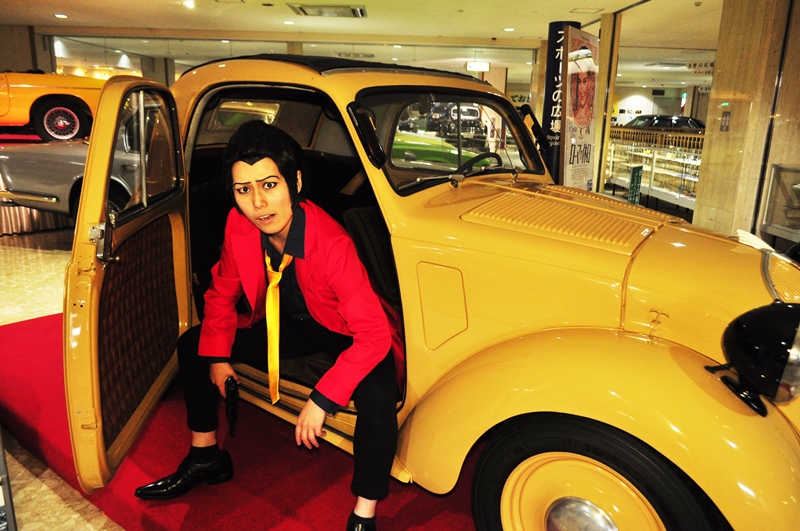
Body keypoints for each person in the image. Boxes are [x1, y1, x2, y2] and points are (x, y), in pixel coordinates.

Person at [135, 119, 404, 531]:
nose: (258, 203)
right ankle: (206, 456)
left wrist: (321, 400)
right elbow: (221, 293)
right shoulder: (238, 224)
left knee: (379, 395)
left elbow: (372, 335)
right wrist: (217, 358)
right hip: (290, 323)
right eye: (244, 190)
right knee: (194, 345)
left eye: (269, 185)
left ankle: (364, 513)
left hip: (347, 333)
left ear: (295, 182)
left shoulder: (333, 244)